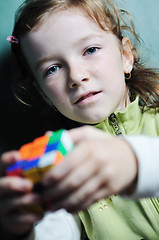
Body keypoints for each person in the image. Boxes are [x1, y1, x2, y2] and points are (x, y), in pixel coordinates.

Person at [4, 0, 159, 239]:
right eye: (52, 69)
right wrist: (21, 229)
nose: (76, 76)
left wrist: (135, 162)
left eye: (90, 50)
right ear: (44, 94)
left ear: (126, 56)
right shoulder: (59, 166)